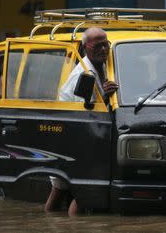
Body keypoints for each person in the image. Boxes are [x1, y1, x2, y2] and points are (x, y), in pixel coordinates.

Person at [45, 27, 118, 216]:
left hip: (84, 139)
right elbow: (85, 113)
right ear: (86, 47)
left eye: (106, 45)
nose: (103, 50)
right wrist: (104, 93)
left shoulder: (106, 66)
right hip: (74, 141)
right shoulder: (82, 75)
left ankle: (50, 223)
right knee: (82, 194)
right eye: (98, 46)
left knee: (60, 190)